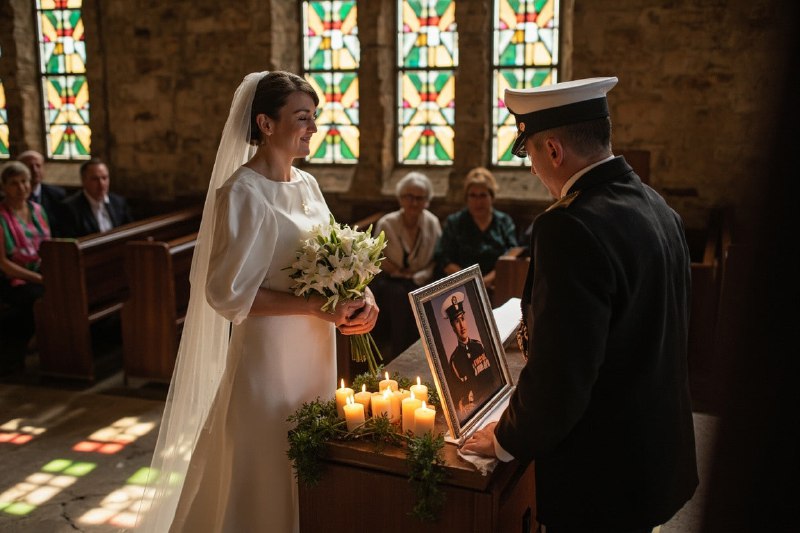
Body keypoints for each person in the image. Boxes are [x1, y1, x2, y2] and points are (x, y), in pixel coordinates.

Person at [137, 71, 379, 533]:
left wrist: (361, 294)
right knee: (269, 456)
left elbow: (337, 256)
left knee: (310, 453)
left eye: (314, 118)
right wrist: (312, 308)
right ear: (266, 124)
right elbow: (226, 293)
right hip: (268, 353)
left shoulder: (307, 185)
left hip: (315, 348)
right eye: (302, 118)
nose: (312, 127)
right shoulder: (242, 192)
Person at [462, 78, 698, 533]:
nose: (531, 168)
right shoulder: (657, 206)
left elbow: (563, 373)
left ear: (553, 150)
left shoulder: (571, 227)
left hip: (603, 469)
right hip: (653, 450)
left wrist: (508, 437)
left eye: (528, 153)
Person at [370, 171, 441, 359]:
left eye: (420, 198)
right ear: (400, 198)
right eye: (409, 197)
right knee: (399, 296)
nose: (414, 202)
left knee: (421, 295)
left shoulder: (432, 222)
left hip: (422, 279)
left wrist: (420, 275)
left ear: (427, 201)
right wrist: (398, 272)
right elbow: (377, 256)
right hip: (391, 279)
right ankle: (398, 352)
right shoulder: (387, 223)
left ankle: (423, 353)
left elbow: (437, 257)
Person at [0, 161, 50, 372]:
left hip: (40, 270)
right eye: (14, 183)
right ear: (3, 187)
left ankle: (55, 351)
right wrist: (38, 278)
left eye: (24, 182)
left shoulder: (37, 210)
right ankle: (23, 351)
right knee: (40, 296)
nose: (21, 188)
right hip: (11, 277)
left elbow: (49, 246)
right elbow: (4, 264)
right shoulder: (1, 217)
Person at [434, 166, 517, 291]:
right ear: (466, 198)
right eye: (473, 196)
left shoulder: (504, 222)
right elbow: (443, 258)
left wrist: (485, 281)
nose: (478, 202)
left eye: (483, 195)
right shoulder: (455, 222)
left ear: (492, 197)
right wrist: (471, 281)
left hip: (498, 285)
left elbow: (512, 255)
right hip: (461, 285)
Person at [441, 291, 501, 419]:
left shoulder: (479, 346)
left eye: (463, 319)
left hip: (492, 401)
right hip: (475, 411)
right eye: (457, 322)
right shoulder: (454, 360)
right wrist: (462, 404)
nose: (462, 325)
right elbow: (456, 392)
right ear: (452, 326)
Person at [61, 158, 133, 237]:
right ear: (83, 180)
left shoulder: (119, 203)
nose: (101, 184)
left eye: (104, 178)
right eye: (95, 179)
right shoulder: (70, 208)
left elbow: (129, 233)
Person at [17, 150, 67, 237]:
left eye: (38, 166)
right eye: (30, 166)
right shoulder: (13, 196)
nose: (35, 170)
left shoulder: (57, 195)